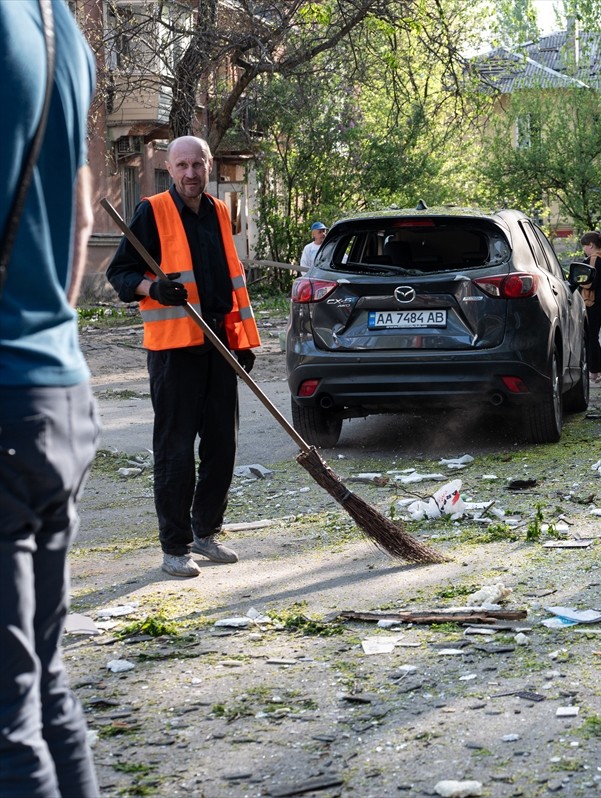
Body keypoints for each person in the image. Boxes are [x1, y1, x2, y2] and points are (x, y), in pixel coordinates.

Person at [1, 2, 102, 795]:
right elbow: (77, 207)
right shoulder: (60, 26)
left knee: (7, 723)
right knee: (47, 685)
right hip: (58, 389)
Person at [106, 135, 262, 579]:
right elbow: (120, 273)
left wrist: (243, 340)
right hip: (175, 351)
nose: (191, 173)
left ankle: (205, 532)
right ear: (170, 169)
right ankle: (174, 547)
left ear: (208, 165)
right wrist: (151, 288)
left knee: (222, 445)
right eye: (182, 166)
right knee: (175, 451)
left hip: (220, 347)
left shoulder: (218, 211)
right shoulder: (151, 211)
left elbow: (231, 282)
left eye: (198, 164)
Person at [579, 230, 601, 388]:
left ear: (591, 245)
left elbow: (589, 282)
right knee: (594, 337)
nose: (584, 250)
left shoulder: (593, 259)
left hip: (591, 303)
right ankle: (598, 374)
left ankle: (595, 375)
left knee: (591, 338)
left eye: (584, 246)